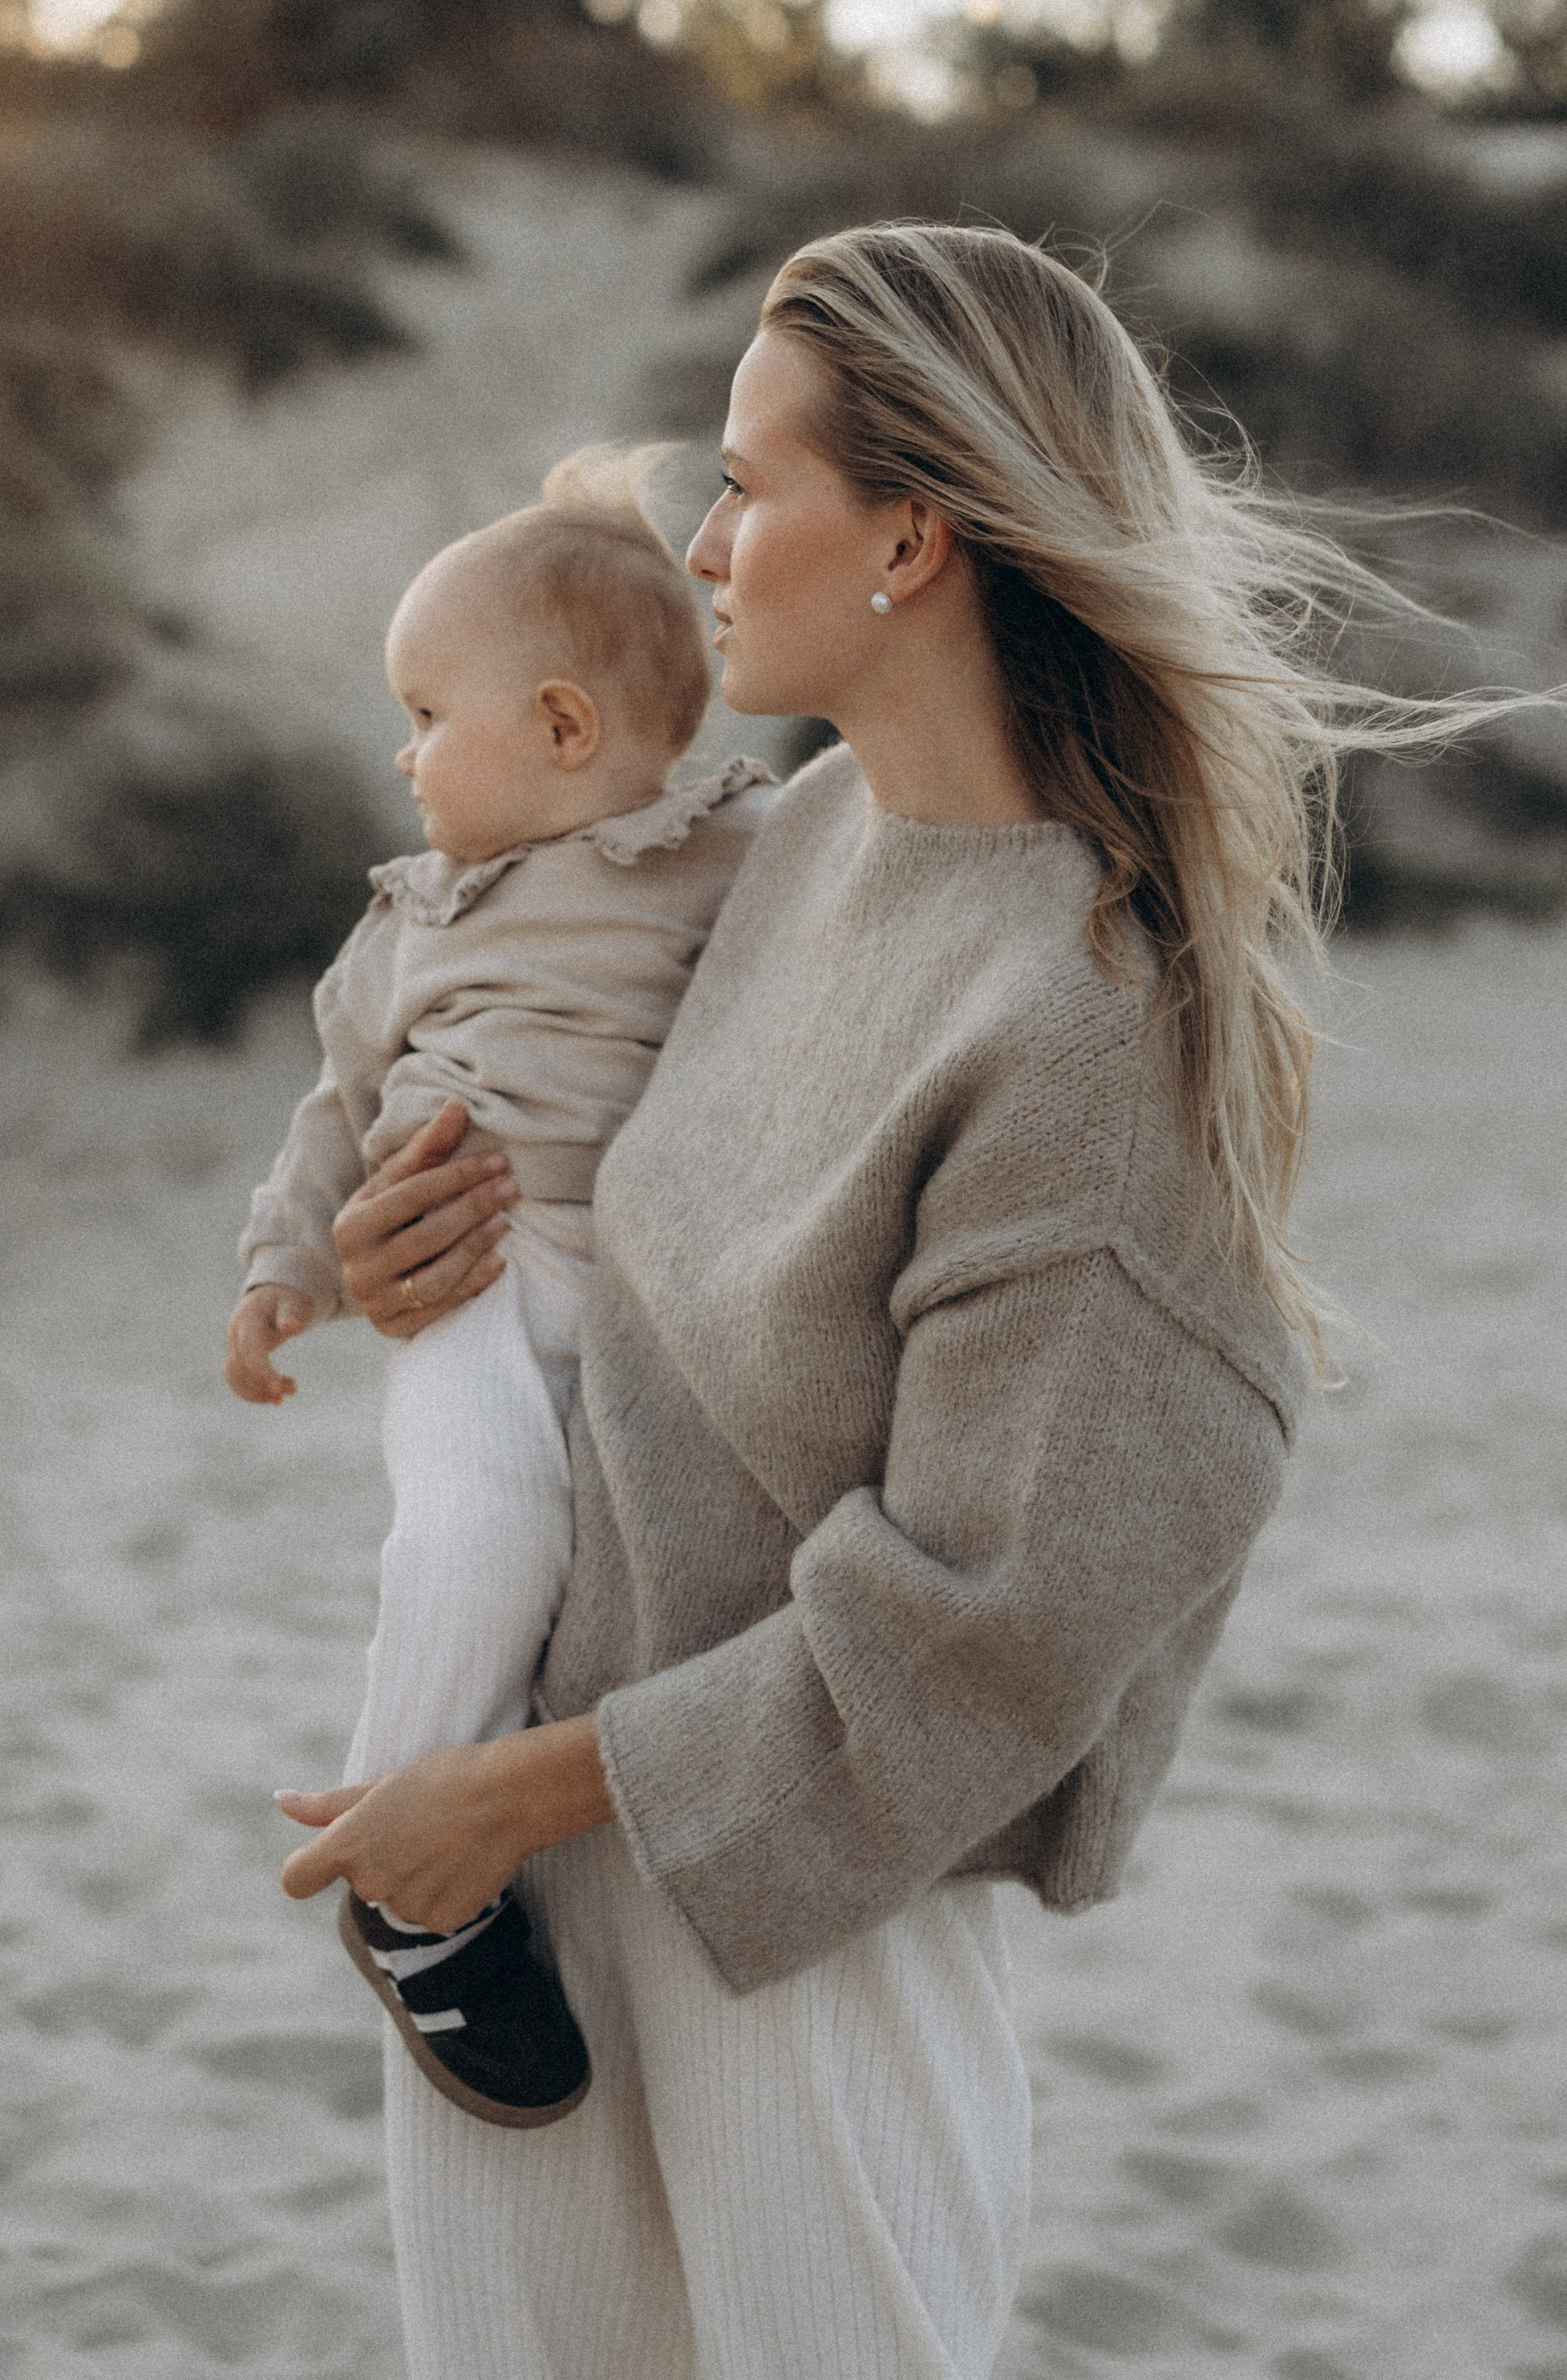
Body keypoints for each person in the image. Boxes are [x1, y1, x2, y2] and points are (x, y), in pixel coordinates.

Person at [268, 221, 1504, 2380]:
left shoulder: (1084, 1024)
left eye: (754, 484)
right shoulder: (790, 844)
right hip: (535, 1938)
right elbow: (565, 1175)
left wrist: (515, 1799)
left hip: (793, 1963)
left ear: (915, 532)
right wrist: (396, 1258)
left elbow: (1002, 1616)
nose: (711, 541)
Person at [225, 449, 775, 2127]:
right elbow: (333, 1114)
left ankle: (446, 1850)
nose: (400, 754)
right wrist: (282, 1271)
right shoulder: (406, 924)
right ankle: (409, 1879)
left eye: (423, 714)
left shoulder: (739, 848)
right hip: (471, 1282)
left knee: (617, 1591)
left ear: (556, 729)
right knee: (476, 1540)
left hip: (647, 1302)